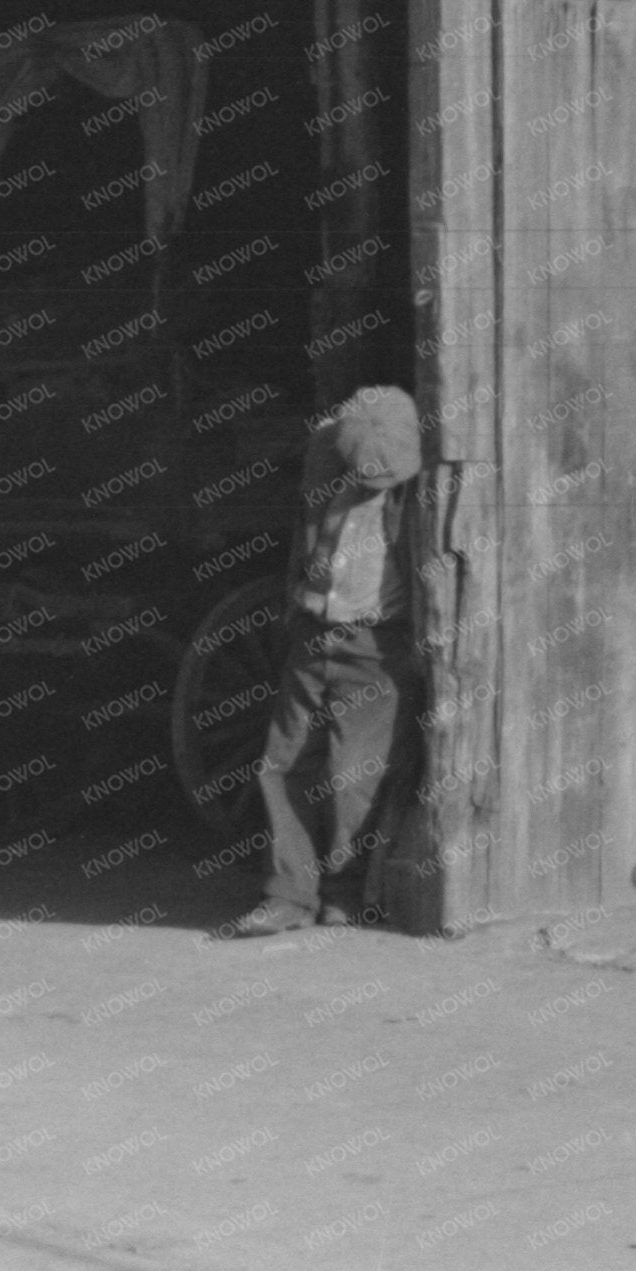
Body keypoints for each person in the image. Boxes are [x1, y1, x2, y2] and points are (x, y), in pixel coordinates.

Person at [223, 385, 422, 937]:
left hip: (376, 648)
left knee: (352, 778)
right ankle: (287, 897)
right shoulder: (324, 467)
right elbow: (302, 546)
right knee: (281, 766)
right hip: (314, 636)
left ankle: (345, 894)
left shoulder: (424, 493)